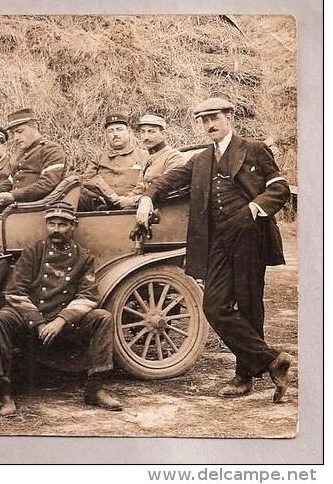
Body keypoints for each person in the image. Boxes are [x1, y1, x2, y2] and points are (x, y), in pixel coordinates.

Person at [135, 97, 293, 402]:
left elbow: (279, 189)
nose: (210, 125)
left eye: (215, 118)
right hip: (217, 242)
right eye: (204, 120)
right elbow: (166, 180)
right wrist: (147, 197)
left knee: (249, 306)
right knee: (214, 306)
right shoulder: (200, 160)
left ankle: (243, 376)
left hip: (250, 238)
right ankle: (273, 360)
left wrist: (252, 210)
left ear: (229, 116)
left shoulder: (255, 149)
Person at [0, 202, 123, 415]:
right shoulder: (33, 252)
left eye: (62, 224)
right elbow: (14, 292)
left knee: (103, 317)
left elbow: (88, 295)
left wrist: (60, 320)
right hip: (32, 317)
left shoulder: (83, 257)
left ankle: (95, 389)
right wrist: (39, 322)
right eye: (51, 224)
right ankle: (5, 393)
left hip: (64, 321)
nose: (56, 229)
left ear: (73, 226)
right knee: (0, 319)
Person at [0, 108, 66, 208]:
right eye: (13, 134)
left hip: (37, 208)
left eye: (19, 131)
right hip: (20, 205)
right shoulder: (22, 155)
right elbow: (11, 181)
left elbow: (47, 184)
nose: (15, 137)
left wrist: (13, 195)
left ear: (34, 126)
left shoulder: (51, 150)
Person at [80, 114, 148, 210]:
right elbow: (86, 180)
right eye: (110, 131)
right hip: (104, 205)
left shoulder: (144, 156)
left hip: (134, 205)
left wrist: (130, 199)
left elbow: (147, 181)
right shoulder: (99, 158)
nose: (115, 134)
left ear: (128, 132)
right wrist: (109, 195)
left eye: (119, 129)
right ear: (106, 136)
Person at [119, 114, 186, 208]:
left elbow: (167, 190)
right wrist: (124, 200)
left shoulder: (173, 157)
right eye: (142, 132)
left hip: (164, 209)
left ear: (164, 134)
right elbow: (141, 187)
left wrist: (133, 201)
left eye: (151, 132)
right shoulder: (147, 157)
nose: (146, 137)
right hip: (145, 205)